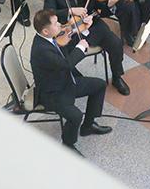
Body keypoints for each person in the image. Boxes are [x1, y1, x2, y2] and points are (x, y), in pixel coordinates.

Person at [29, 9, 112, 154]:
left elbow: (66, 49)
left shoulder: (50, 38)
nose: (60, 25)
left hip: (66, 82)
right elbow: (66, 64)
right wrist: (81, 47)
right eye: (56, 24)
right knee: (76, 116)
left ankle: (88, 125)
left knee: (99, 85)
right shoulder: (42, 50)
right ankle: (68, 144)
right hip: (53, 93)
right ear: (45, 31)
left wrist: (84, 30)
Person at [43, 0, 131, 96]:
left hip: (93, 25)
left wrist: (110, 5)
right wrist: (71, 11)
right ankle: (74, 79)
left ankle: (117, 77)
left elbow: (101, 10)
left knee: (116, 43)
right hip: (69, 30)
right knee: (61, 54)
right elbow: (48, 13)